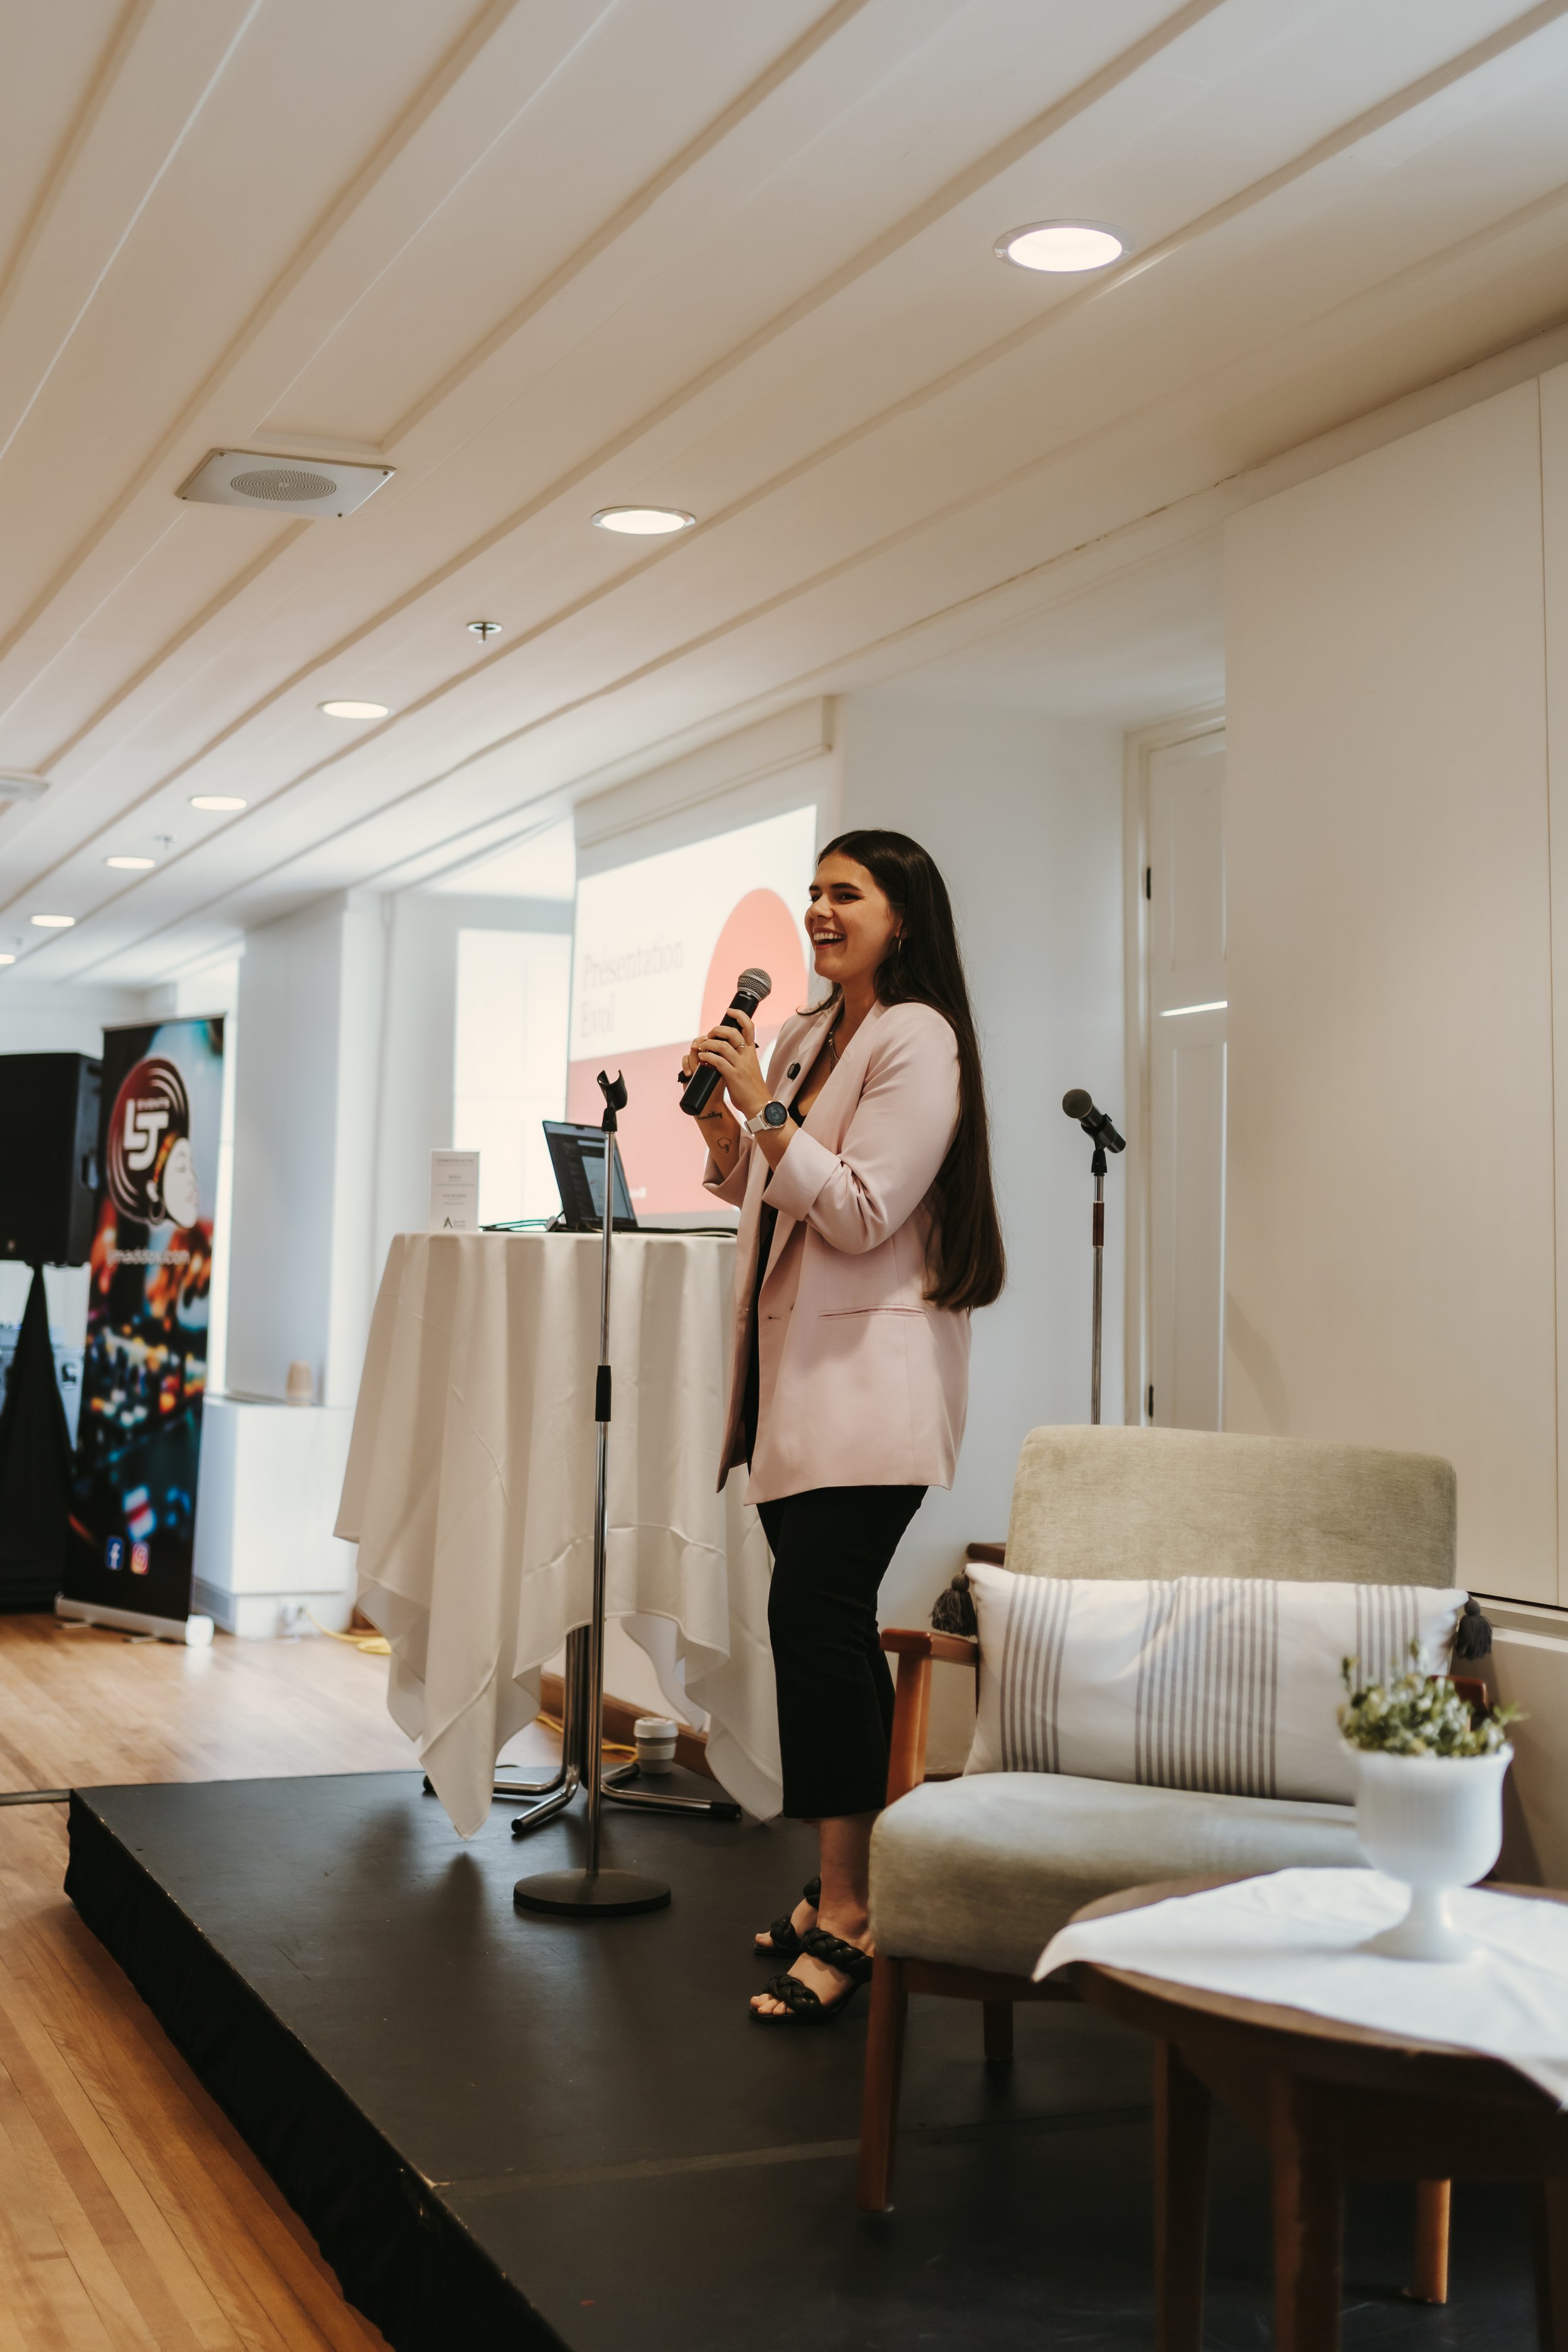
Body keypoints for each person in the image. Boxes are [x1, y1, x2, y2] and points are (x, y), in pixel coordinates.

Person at [683, 829, 1004, 2025]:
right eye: (812, 892)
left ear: (901, 916)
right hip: (797, 1387)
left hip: (872, 1390)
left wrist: (766, 1109)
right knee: (825, 1632)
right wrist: (729, 1130)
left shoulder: (920, 1037)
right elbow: (774, 1191)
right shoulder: (813, 1032)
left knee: (812, 1626)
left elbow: (863, 1210)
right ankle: (837, 1890)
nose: (819, 910)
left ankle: (855, 1911)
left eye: (845, 894)